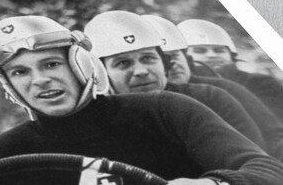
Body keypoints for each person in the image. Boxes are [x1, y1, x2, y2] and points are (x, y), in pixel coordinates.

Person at [0, 15, 283, 185]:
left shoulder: (166, 110)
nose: (39, 80)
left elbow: (266, 169)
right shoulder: (2, 156)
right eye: (20, 72)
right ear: (8, 84)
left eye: (51, 64)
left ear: (83, 64)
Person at [85, 11, 268, 152]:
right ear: (102, 73)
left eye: (148, 58)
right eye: (123, 63)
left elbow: (255, 163)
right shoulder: (94, 119)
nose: (141, 71)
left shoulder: (211, 97)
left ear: (165, 64)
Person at [143, 14, 283, 160]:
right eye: (200, 51)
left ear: (186, 58)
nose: (171, 64)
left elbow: (272, 138)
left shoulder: (220, 91)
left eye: (174, 56)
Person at [178, 19, 283, 121]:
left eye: (219, 50)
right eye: (200, 51)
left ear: (231, 54)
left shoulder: (259, 82)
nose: (212, 55)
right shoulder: (179, 86)